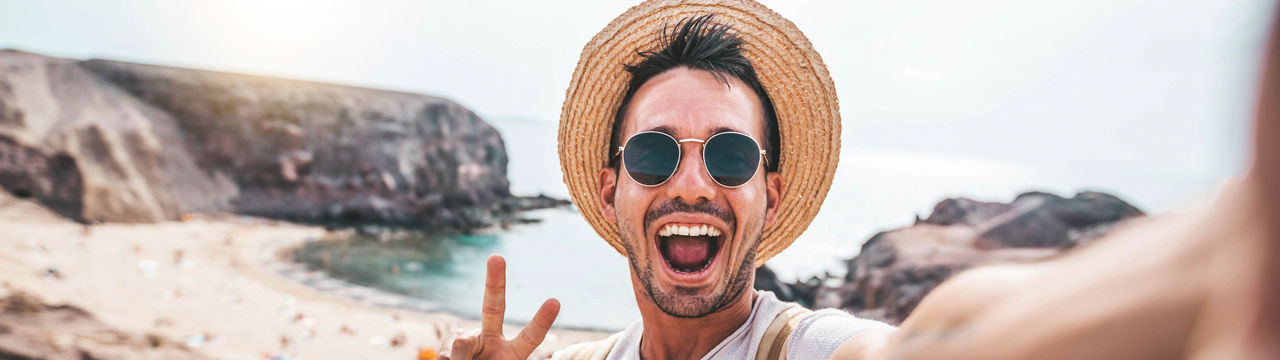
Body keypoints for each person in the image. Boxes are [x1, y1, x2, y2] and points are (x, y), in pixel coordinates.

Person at [443, 0, 1280, 359]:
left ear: (770, 189)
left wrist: (1233, 242)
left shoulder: (810, 348)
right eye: (655, 155)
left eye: (730, 155)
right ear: (607, 189)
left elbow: (935, 347)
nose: (692, 181)